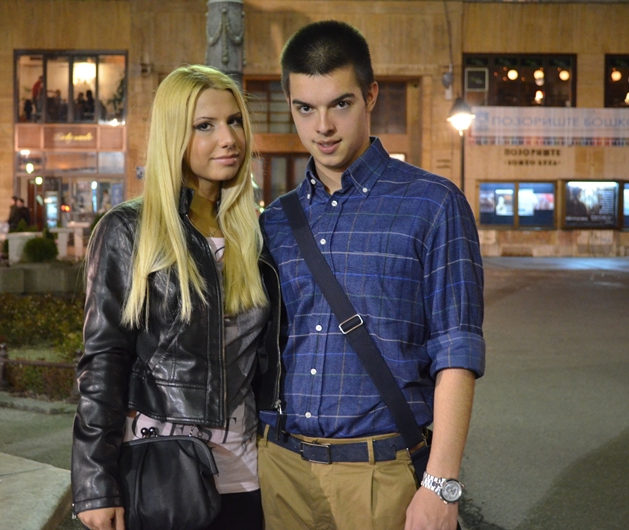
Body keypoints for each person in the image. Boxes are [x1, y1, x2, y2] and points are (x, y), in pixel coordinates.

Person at [256, 20, 486, 530]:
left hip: (382, 474)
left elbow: (457, 349)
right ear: (289, 104)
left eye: (340, 104)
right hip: (281, 468)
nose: (323, 127)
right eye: (305, 108)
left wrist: (441, 484)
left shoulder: (433, 205)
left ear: (371, 96)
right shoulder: (274, 221)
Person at [71, 64, 281, 530]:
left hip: (247, 472)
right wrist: (94, 483)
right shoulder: (129, 229)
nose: (228, 138)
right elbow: (104, 360)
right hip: (163, 470)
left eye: (234, 121)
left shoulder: (254, 236)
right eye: (205, 125)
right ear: (173, 136)